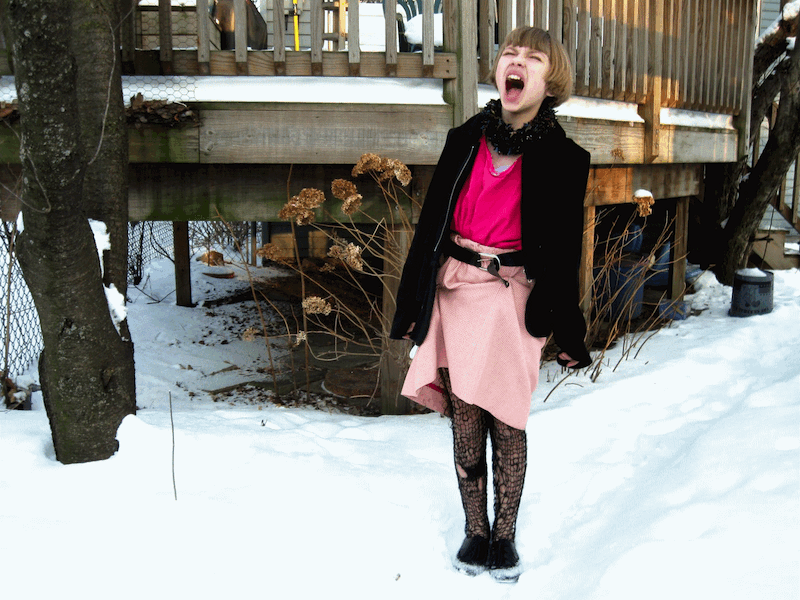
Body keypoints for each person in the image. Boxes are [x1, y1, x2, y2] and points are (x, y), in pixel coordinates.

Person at [389, 26, 592, 583]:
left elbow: (566, 252)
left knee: (506, 418)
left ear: (551, 80)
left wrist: (569, 330)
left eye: (534, 57)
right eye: (509, 53)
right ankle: (475, 529)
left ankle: (505, 536)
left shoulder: (565, 158)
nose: (517, 61)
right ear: (500, 70)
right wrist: (411, 305)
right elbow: (430, 229)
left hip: (514, 299)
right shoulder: (464, 139)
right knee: (465, 418)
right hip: (456, 290)